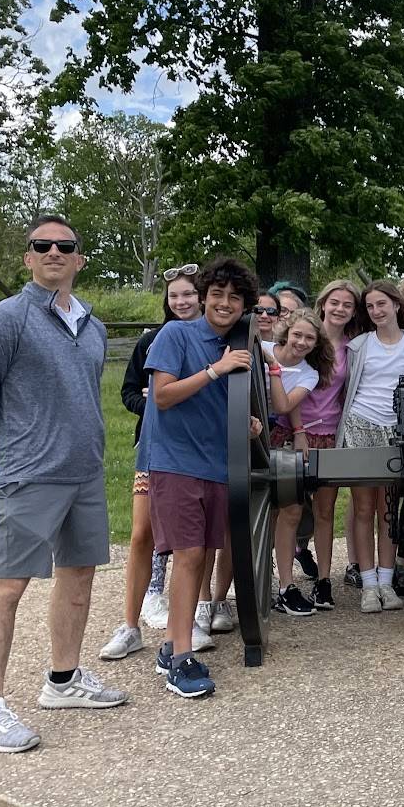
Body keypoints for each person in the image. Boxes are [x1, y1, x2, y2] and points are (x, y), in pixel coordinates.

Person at [0, 215, 126, 752]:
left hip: (84, 473)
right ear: (28, 257)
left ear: (78, 258)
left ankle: (64, 680)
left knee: (78, 576)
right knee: (7, 585)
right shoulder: (5, 320)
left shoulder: (92, 326)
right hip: (31, 475)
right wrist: (3, 450)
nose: (53, 252)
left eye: (65, 246)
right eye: (41, 245)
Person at [143, 256, 260, 699]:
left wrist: (247, 422)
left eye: (234, 297)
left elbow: (224, 405)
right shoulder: (178, 333)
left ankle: (172, 643)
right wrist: (216, 370)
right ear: (205, 296)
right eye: (217, 295)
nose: (225, 303)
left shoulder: (237, 348)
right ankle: (181, 659)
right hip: (175, 461)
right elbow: (164, 396)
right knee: (189, 556)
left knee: (202, 555)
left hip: (215, 464)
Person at [103, 267, 201, 660]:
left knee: (194, 540)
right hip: (155, 443)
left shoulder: (214, 342)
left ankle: (189, 620)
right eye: (174, 296)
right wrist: (158, 403)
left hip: (198, 448)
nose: (181, 302)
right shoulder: (151, 341)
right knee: (142, 532)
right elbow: (129, 393)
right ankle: (130, 623)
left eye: (188, 295)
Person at [338, 280, 404, 613]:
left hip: (396, 428)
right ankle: (368, 584)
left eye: (382, 304)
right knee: (363, 507)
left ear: (397, 305)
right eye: (370, 306)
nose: (376, 311)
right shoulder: (359, 345)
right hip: (361, 422)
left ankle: (386, 582)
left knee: (388, 508)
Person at [264, 309, 332, 617]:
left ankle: (286, 586)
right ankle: (257, 580)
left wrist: (275, 372)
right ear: (286, 332)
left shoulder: (309, 373)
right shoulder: (262, 350)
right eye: (298, 335)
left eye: (309, 338)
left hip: (275, 432)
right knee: (261, 511)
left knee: (290, 508)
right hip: (245, 431)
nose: (302, 342)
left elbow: (284, 404)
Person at [307, 279, 364, 604]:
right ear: (324, 304)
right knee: (286, 512)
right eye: (335, 302)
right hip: (296, 430)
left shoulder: (352, 347)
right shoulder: (306, 336)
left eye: (347, 305)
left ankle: (324, 579)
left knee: (325, 509)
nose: (340, 309)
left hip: (331, 431)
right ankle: (281, 577)